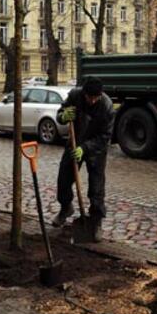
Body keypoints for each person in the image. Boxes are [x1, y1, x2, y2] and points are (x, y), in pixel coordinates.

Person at [52, 77, 115, 242]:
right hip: (75, 141)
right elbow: (60, 114)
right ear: (84, 93)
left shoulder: (107, 107)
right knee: (64, 177)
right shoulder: (75, 95)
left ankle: (96, 221)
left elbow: (105, 136)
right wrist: (63, 116)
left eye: (96, 97)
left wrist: (85, 148)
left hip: (96, 149)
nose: (93, 100)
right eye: (90, 97)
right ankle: (66, 207)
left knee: (96, 185)